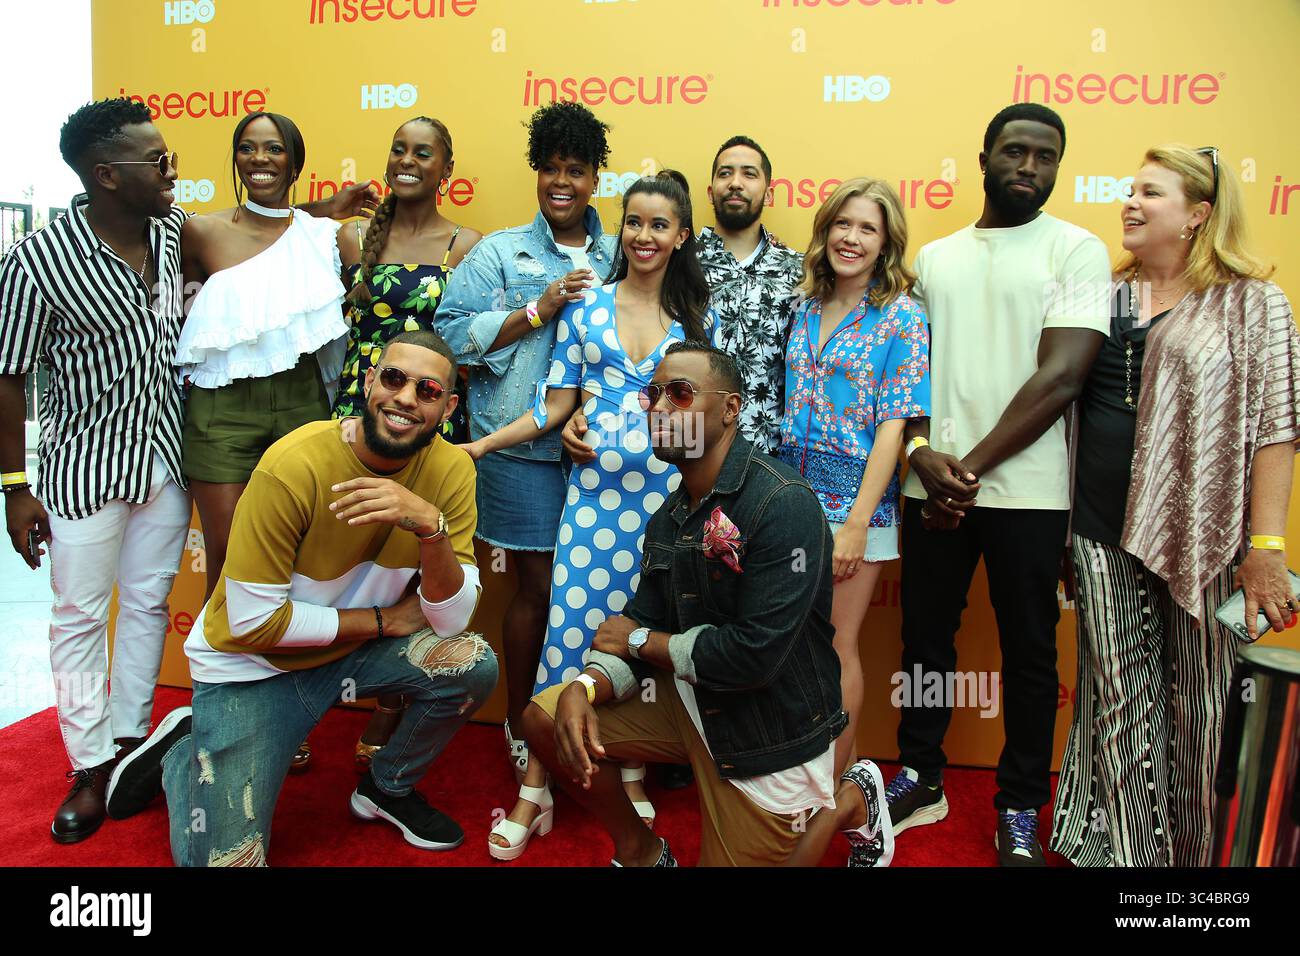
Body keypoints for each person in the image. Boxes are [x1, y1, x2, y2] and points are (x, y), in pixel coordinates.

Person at [0, 99, 375, 845]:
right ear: (108, 175)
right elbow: (8, 377)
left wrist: (325, 205)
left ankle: (132, 745)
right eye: (159, 162)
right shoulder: (37, 259)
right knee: (79, 618)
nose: (174, 171)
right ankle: (87, 764)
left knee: (144, 611)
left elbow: (268, 231)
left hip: (165, 462)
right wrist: (14, 486)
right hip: (79, 469)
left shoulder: (174, 234)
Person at [104, 330, 497, 866]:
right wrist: (383, 621)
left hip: (344, 653)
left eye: (427, 390)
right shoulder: (294, 463)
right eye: (394, 378)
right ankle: (183, 754)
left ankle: (387, 789)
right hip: (253, 667)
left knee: (470, 665)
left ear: (448, 406)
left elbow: (450, 622)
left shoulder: (452, 470)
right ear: (369, 381)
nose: (406, 398)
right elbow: (250, 623)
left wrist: (431, 528)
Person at [520, 341, 890, 867]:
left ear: (731, 409)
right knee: (546, 716)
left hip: (767, 727)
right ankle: (642, 850)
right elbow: (641, 619)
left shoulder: (783, 502)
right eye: (653, 394)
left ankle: (847, 800)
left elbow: (753, 656)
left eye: (681, 393)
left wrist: (641, 642)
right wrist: (585, 685)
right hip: (692, 700)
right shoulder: (670, 517)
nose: (660, 408)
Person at [1051, 145, 1300, 867]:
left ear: (1197, 215)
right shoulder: (1105, 291)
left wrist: (1267, 548)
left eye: (1150, 193)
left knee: (1201, 703)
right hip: (1099, 526)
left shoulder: (1253, 302)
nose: (1130, 203)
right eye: (1129, 190)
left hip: (1206, 536)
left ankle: (1190, 862)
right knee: (1118, 700)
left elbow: (1277, 431)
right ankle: (1130, 861)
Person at [463, 170, 717, 860]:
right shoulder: (585, 308)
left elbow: (706, 426)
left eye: (659, 224)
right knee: (569, 638)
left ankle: (631, 768)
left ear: (681, 235)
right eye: (634, 221)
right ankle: (537, 787)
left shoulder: (700, 322)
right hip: (591, 506)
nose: (643, 235)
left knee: (638, 639)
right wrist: (483, 443)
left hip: (663, 509)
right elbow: (553, 408)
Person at [894, 103, 1111, 866]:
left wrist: (967, 471)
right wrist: (921, 452)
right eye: (1015, 152)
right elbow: (905, 373)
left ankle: (1020, 802)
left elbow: (1062, 378)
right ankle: (920, 774)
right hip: (934, 486)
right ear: (983, 157)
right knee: (923, 642)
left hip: (1028, 493)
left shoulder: (1078, 251)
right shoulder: (937, 258)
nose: (1029, 167)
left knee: (1029, 655)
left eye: (1046, 157)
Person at [435, 101, 616, 789]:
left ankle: (587, 726)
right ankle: (521, 723)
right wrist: (535, 309)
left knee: (592, 594)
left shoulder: (617, 251)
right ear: (537, 172)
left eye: (577, 170)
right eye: (551, 169)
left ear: (596, 177)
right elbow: (450, 334)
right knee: (537, 588)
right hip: (517, 453)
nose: (562, 182)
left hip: (599, 454)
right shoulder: (499, 251)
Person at [329, 115, 481, 770]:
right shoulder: (352, 236)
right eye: (399, 149)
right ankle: (314, 677)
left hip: (428, 418)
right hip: (360, 405)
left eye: (424, 153)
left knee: (411, 547)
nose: (408, 160)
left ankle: (394, 696)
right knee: (348, 541)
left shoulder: (467, 243)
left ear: (447, 169)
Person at [777, 178, 930, 776]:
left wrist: (858, 524)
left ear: (886, 241)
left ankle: (838, 789)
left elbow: (894, 427)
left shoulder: (902, 318)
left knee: (836, 647)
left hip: (855, 507)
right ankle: (797, 777)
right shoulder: (804, 305)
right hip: (792, 499)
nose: (852, 237)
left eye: (867, 228)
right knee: (794, 647)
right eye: (843, 224)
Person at [178, 112, 359, 614]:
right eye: (248, 148)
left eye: (274, 148)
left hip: (302, 401)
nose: (260, 159)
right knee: (228, 551)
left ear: (296, 162)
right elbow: (182, 314)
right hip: (220, 408)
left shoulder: (324, 235)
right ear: (235, 157)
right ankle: (219, 682)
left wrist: (321, 210)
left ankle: (282, 682)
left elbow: (288, 229)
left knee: (294, 549)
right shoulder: (199, 232)